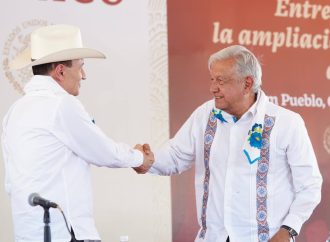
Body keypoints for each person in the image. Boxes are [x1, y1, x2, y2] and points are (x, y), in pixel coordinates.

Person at [137, 45, 323, 242]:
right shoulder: (204, 115)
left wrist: (288, 229)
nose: (212, 88)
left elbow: (310, 185)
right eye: (212, 79)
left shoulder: (287, 123)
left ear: (247, 83)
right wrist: (147, 161)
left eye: (221, 81)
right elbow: (175, 156)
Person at [1, 24, 153, 242]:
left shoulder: (14, 112)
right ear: (60, 71)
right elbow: (103, 151)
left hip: (26, 233)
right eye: (80, 67)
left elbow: (11, 184)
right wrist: (139, 158)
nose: (84, 75)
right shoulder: (61, 105)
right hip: (64, 232)